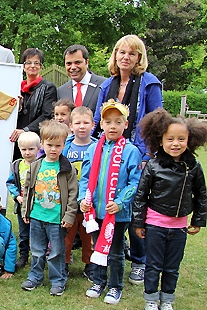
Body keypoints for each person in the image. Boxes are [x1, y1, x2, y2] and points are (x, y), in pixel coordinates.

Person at [92, 34, 163, 286]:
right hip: (108, 152)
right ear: (115, 56)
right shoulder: (106, 85)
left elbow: (157, 122)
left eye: (132, 53)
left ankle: (140, 261)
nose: (126, 57)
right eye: (121, 52)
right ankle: (111, 253)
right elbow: (98, 124)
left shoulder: (149, 83)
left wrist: (147, 155)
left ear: (139, 58)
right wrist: (94, 149)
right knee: (108, 203)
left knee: (134, 208)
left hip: (137, 153)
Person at [133, 109, 207, 310]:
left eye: (181, 139)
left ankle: (166, 300)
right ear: (160, 140)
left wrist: (198, 220)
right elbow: (141, 196)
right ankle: (150, 299)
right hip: (155, 226)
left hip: (179, 228)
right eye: (170, 139)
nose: (176, 143)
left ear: (189, 140)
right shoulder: (153, 165)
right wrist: (139, 223)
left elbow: (202, 194)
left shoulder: (193, 166)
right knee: (153, 266)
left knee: (172, 268)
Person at [79, 100, 142, 305]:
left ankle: (115, 287)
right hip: (95, 210)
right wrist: (83, 199)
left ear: (126, 124)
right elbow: (86, 177)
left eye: (118, 122)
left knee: (115, 251)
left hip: (117, 213)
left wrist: (120, 202)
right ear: (102, 124)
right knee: (98, 246)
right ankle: (99, 281)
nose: (112, 126)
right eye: (108, 122)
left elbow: (135, 181)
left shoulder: (131, 151)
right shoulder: (94, 148)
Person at [20, 119, 78, 296]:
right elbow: (27, 189)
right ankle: (35, 276)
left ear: (64, 145)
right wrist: (26, 210)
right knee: (37, 250)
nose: (53, 149)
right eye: (49, 145)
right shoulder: (36, 165)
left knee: (56, 251)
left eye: (58, 145)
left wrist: (69, 217)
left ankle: (58, 280)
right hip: (37, 216)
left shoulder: (67, 169)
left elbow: (73, 195)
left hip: (56, 220)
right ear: (42, 144)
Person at [62, 106, 97, 281]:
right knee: (67, 235)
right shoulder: (65, 147)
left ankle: (90, 265)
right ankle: (65, 263)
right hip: (69, 201)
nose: (82, 126)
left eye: (86, 123)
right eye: (78, 123)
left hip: (90, 202)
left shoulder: (98, 147)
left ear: (93, 124)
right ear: (70, 126)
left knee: (88, 235)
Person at [9, 48, 56, 160]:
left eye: (36, 63)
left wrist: (25, 130)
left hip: (36, 141)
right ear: (24, 67)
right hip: (16, 142)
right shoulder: (16, 87)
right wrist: (18, 108)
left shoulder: (48, 87)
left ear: (41, 67)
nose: (32, 66)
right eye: (28, 63)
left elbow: (47, 115)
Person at [6, 131, 41, 269]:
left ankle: (38, 256)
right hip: (22, 206)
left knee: (37, 232)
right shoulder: (17, 165)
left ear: (38, 149)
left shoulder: (41, 164)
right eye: (24, 149)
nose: (27, 153)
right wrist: (16, 196)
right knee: (23, 232)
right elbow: (10, 183)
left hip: (37, 207)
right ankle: (23, 255)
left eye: (31, 149)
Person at [57, 44, 106, 113]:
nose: (73, 67)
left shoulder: (103, 85)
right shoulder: (61, 91)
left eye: (77, 62)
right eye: (69, 63)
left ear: (87, 63)